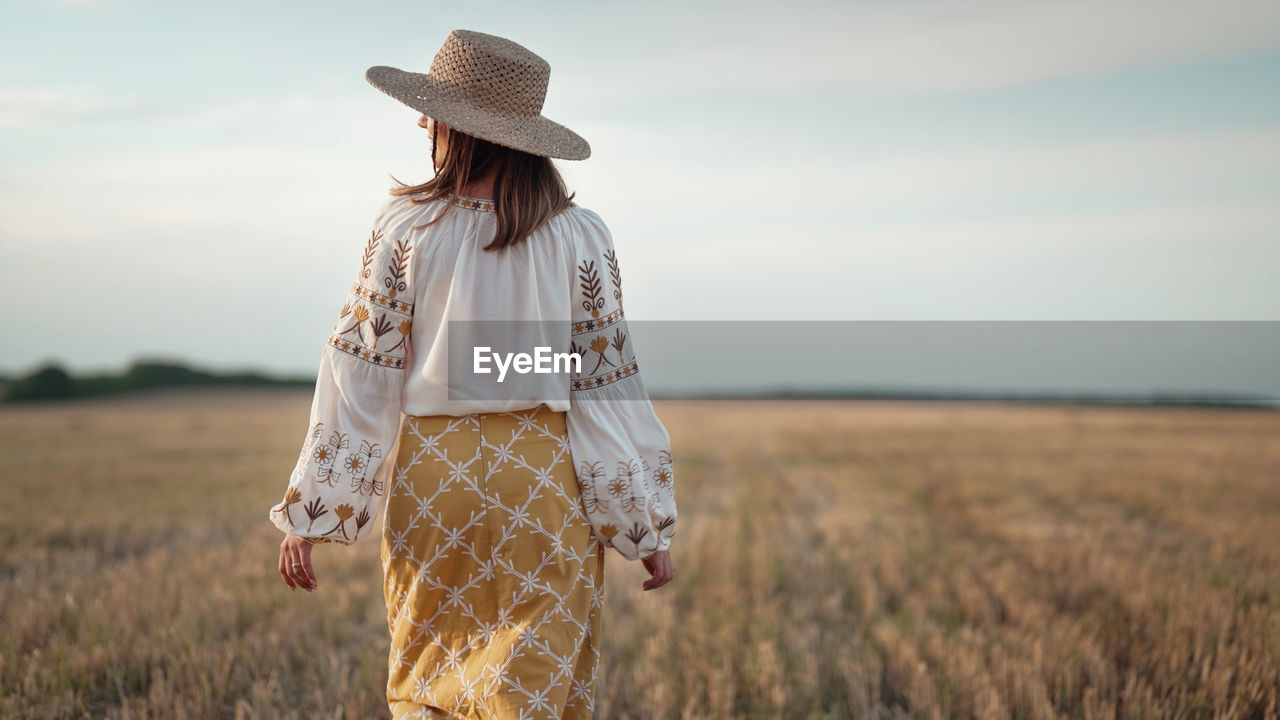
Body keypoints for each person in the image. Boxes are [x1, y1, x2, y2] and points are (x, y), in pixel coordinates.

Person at [266, 29, 677, 720]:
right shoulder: (582, 236)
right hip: (542, 482)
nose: (421, 123)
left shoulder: (404, 226)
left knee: (429, 679)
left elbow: (361, 373)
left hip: (435, 479)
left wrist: (313, 508)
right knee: (532, 688)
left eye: (430, 113)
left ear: (458, 129)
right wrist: (643, 526)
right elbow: (605, 389)